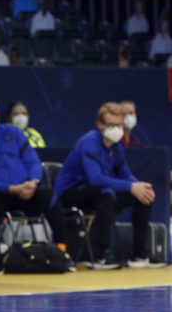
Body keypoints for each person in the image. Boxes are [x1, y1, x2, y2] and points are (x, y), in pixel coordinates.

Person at [0, 95, 70, 272]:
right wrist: (10, 189)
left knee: (47, 193)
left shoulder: (14, 133)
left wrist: (33, 182)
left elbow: (32, 161)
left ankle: (62, 251)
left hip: (27, 191)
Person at [55, 102, 163, 269]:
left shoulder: (116, 147)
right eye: (111, 125)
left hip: (96, 192)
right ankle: (102, 255)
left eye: (119, 125)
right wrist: (131, 187)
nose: (116, 129)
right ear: (100, 124)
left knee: (143, 197)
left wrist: (139, 186)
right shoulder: (89, 143)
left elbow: (125, 173)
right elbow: (95, 179)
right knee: (107, 194)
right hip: (69, 193)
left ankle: (140, 255)